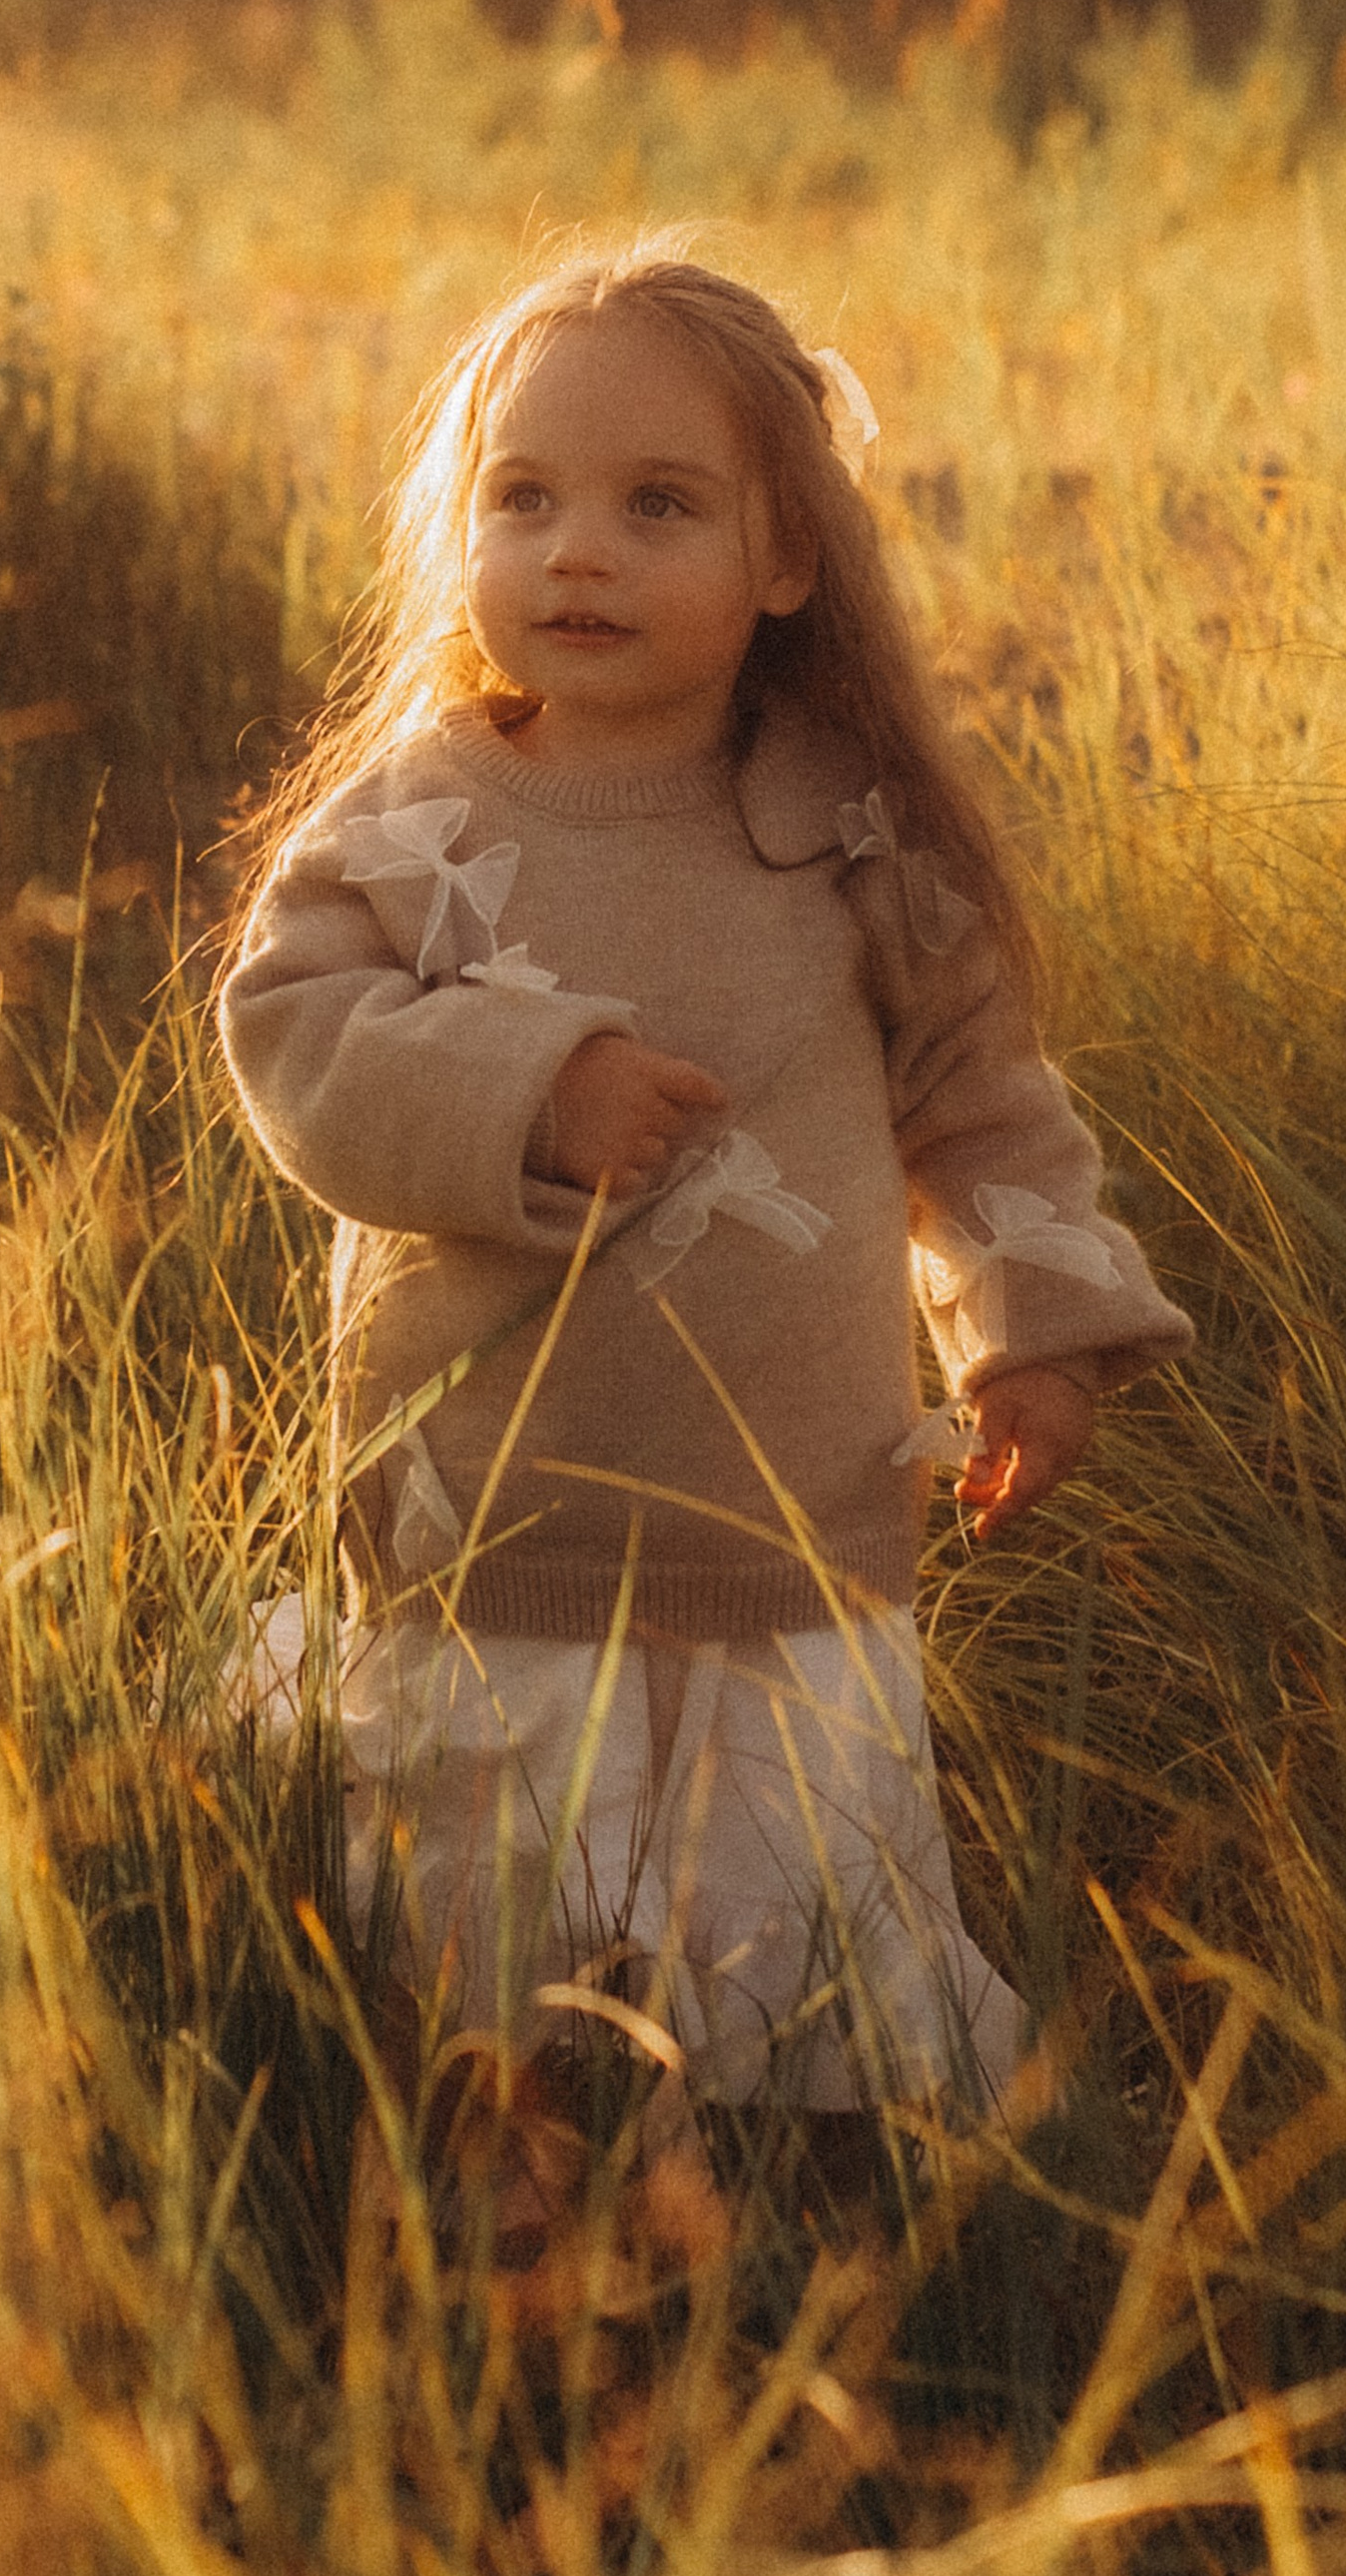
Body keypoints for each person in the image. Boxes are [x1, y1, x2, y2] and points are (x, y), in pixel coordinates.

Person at [220, 246, 1190, 2225]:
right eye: (522, 497)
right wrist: (526, 1085)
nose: (576, 550)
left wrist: (1023, 1318)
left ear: (782, 560)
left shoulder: (847, 838)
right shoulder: (415, 825)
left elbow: (978, 1106)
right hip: (495, 1518)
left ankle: (817, 2231)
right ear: (457, 524)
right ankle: (510, 2249)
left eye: (656, 504)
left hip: (781, 1525)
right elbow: (291, 1042)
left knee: (794, 1943)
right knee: (496, 1940)